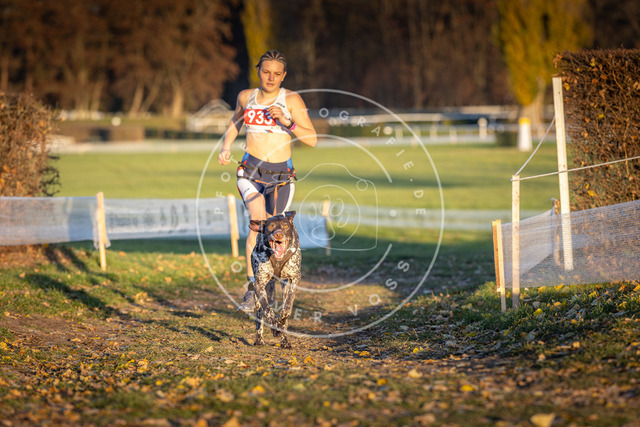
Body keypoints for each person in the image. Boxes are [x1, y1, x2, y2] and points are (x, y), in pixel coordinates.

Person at [217, 50, 317, 312]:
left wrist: (287, 122)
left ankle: (271, 281)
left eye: (276, 74)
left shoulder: (291, 100)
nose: (270, 78)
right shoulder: (245, 97)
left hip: (281, 176)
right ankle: (253, 288)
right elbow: (235, 121)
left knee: (275, 232)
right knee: (257, 222)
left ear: (283, 76)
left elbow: (312, 139)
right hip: (250, 171)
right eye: (266, 72)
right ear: (258, 71)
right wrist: (226, 147)